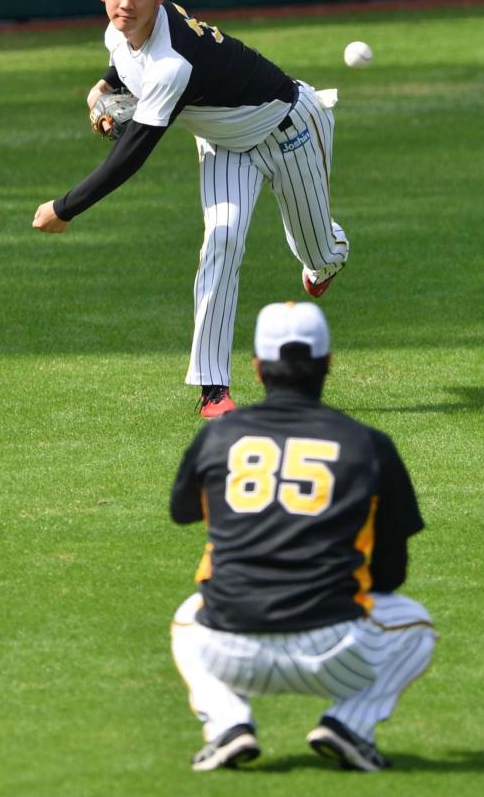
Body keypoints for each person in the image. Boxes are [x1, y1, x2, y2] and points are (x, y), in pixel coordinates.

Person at [32, 0, 349, 418]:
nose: (126, 3)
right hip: (223, 146)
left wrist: (65, 207)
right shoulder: (119, 31)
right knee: (221, 242)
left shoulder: (171, 65)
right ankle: (213, 388)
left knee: (320, 252)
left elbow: (131, 155)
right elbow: (120, 66)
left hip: (291, 129)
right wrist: (101, 90)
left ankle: (326, 259)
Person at [170, 301, 437, 772]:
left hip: (231, 652)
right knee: (416, 624)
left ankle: (228, 723)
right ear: (328, 362)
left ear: (257, 367)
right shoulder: (368, 444)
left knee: (188, 616)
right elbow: (391, 573)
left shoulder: (219, 437)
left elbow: (183, 511)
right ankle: (351, 724)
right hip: (335, 655)